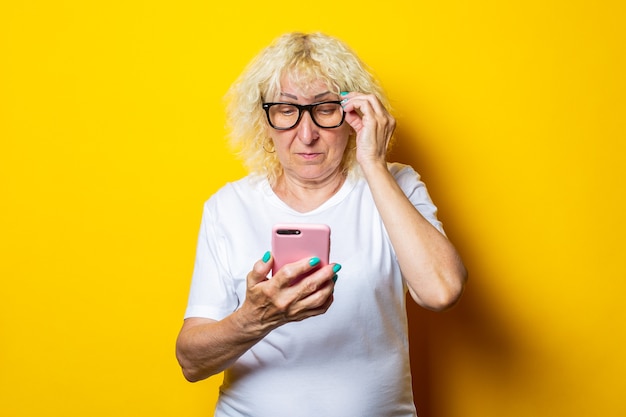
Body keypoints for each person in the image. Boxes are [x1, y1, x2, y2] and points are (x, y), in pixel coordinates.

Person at [176, 32, 467, 417]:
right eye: (286, 110)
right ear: (263, 120)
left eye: (325, 108)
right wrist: (255, 319)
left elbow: (442, 291)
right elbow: (191, 362)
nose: (307, 133)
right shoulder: (228, 207)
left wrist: (374, 164)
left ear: (355, 115)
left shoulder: (396, 185)